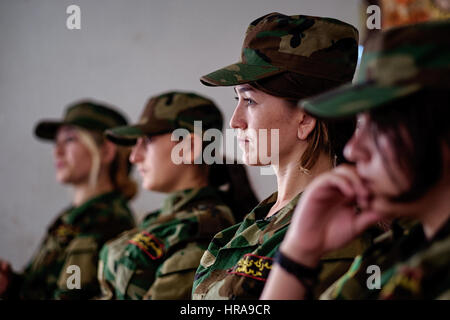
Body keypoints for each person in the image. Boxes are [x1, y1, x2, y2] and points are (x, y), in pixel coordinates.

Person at [192, 12, 381, 300]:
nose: (234, 121)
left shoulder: (337, 232)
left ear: (305, 119)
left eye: (250, 101)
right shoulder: (246, 228)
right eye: (237, 100)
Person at [261, 19, 450, 300]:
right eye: (361, 125)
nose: (352, 149)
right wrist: (299, 253)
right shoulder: (393, 256)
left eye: (380, 127)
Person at [97, 91, 258, 299]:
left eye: (146, 141)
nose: (134, 157)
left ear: (188, 147)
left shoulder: (203, 227)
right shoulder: (167, 220)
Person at [0, 101, 137, 299]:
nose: (57, 152)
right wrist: (10, 284)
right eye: (57, 142)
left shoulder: (107, 221)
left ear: (107, 151)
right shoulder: (74, 216)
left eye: (70, 139)